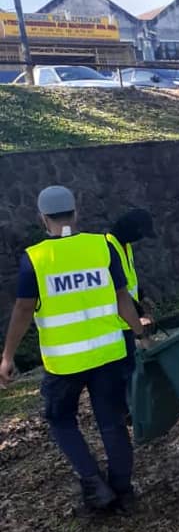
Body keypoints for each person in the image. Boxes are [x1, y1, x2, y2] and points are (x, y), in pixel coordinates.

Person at [0, 186, 147, 513]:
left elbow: (24, 309)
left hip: (64, 363)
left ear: (42, 217)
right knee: (112, 421)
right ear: (75, 212)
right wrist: (139, 333)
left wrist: (7, 356)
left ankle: (95, 486)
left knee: (61, 419)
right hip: (109, 353)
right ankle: (123, 491)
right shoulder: (101, 247)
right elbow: (123, 298)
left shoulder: (35, 259)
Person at [106, 208, 156, 381]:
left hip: (129, 320)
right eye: (140, 233)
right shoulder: (108, 248)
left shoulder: (125, 246)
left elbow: (128, 279)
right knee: (128, 374)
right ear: (131, 229)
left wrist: (142, 297)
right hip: (119, 322)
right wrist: (141, 318)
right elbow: (118, 291)